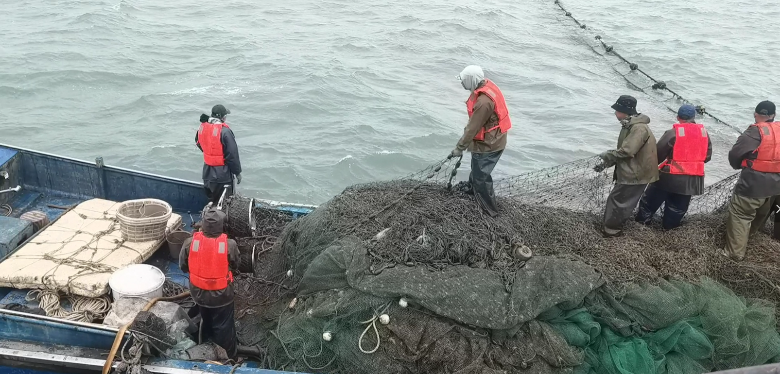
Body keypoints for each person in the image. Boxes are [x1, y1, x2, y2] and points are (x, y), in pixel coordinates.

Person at [635, 104, 713, 230]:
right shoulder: (704, 134)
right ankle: (668, 229)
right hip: (692, 180)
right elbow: (707, 157)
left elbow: (658, 154)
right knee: (677, 208)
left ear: (678, 117)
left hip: (669, 176)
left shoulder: (673, 133)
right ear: (694, 117)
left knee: (649, 203)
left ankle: (641, 225)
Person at [449, 65, 512, 217]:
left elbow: (472, 128)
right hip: (493, 139)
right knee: (477, 167)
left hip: (490, 144)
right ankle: (472, 189)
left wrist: (459, 148)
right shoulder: (484, 86)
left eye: (464, 81)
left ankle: (489, 210)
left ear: (471, 80)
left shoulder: (483, 103)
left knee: (481, 177)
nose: (462, 84)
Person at [594, 95, 659, 237]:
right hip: (635, 170)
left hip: (636, 173)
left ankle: (612, 231)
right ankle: (612, 227)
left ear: (624, 111)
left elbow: (627, 151)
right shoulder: (628, 124)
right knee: (621, 199)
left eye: (617, 110)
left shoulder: (638, 128)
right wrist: (605, 164)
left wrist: (606, 154)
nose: (615, 113)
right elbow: (624, 152)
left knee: (618, 201)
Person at [723, 100, 780, 261]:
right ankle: (751, 237)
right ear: (773, 115)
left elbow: (735, 155)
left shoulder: (753, 132)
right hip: (775, 188)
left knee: (741, 215)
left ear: (756, 114)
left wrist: (737, 166)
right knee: (761, 213)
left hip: (752, 186)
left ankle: (734, 254)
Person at [180, 208, 240, 358]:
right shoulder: (230, 244)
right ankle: (228, 357)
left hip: (198, 294)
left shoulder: (190, 242)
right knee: (223, 326)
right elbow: (236, 265)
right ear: (221, 227)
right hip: (222, 297)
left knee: (205, 317)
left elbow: (183, 266)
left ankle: (204, 342)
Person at [196, 105, 242, 205]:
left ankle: (210, 219)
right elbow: (232, 155)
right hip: (222, 175)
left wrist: (210, 154)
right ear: (222, 117)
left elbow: (198, 142)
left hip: (207, 173)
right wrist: (237, 173)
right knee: (225, 204)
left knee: (211, 203)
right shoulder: (225, 131)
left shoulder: (202, 127)